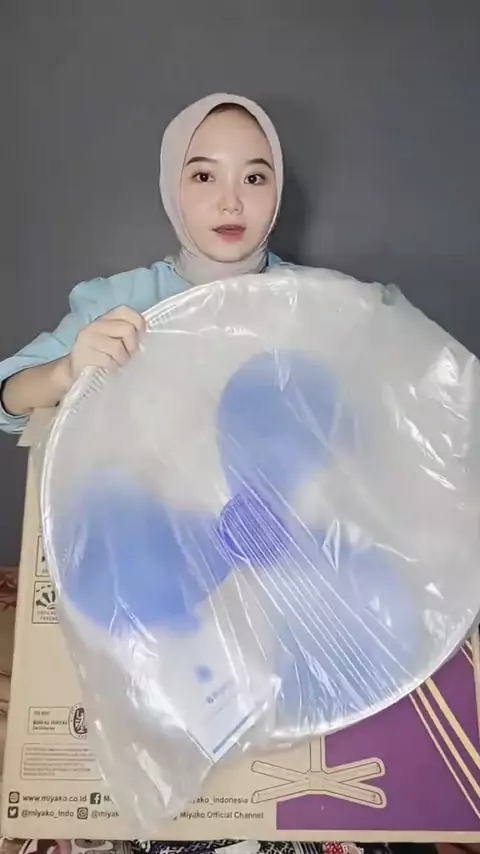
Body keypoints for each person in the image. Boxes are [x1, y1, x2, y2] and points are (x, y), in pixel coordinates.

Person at [0, 92, 285, 434]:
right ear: (171, 186)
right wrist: (66, 372)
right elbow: (6, 401)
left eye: (253, 178)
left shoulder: (313, 302)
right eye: (204, 177)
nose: (231, 203)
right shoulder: (118, 301)